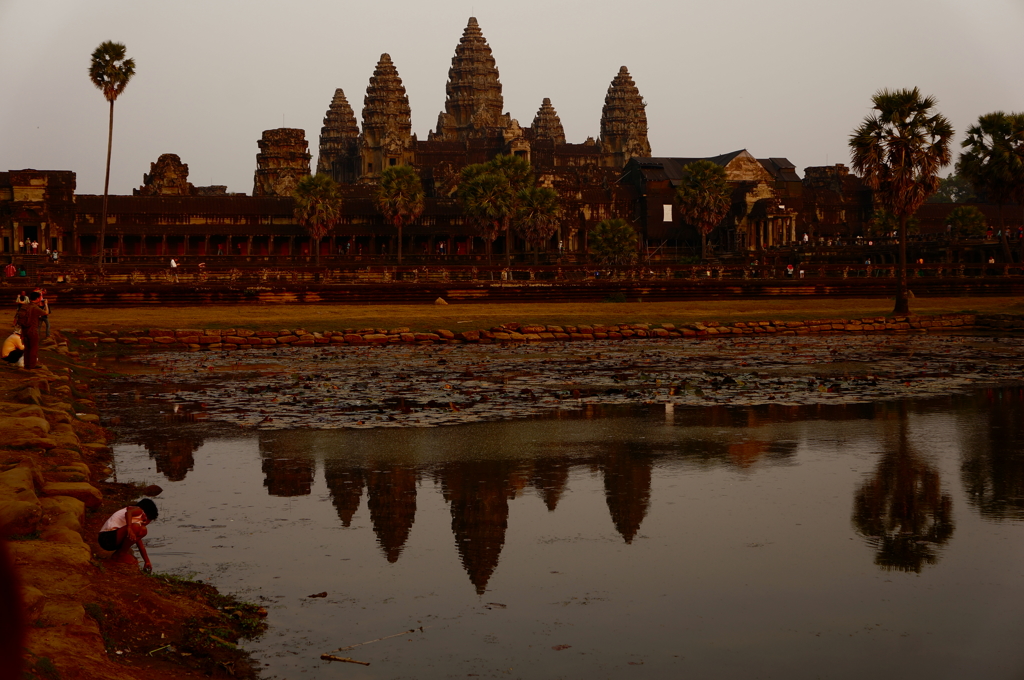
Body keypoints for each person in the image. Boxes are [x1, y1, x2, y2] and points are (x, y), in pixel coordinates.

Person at [98, 499, 158, 570]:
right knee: (139, 528)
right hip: (106, 537)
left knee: (142, 530)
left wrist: (147, 561)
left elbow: (139, 543)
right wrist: (129, 527)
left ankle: (118, 555)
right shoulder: (139, 511)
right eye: (149, 520)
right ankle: (121, 555)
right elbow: (128, 513)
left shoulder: (135, 520)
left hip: (111, 539)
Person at [14, 291, 47, 370]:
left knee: (27, 348)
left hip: (24, 330)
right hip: (32, 330)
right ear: (38, 298)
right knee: (33, 348)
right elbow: (45, 313)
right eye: (40, 297)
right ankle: (32, 365)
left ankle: (27, 365)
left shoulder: (25, 306)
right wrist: (45, 304)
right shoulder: (34, 307)